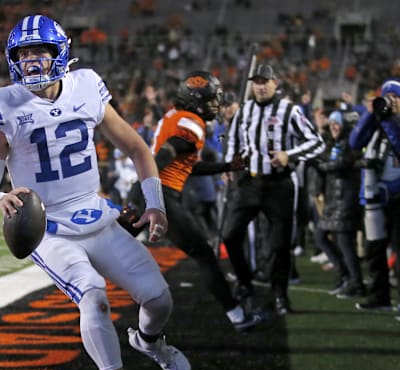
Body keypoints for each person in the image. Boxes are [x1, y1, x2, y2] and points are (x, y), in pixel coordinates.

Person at [0, 15, 189, 370]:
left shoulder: (86, 85)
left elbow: (139, 150)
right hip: (47, 225)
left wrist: (155, 205)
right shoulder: (2, 102)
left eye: (41, 51)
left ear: (61, 53)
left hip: (95, 213)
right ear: (12, 58)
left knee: (159, 300)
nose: (32, 61)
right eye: (24, 53)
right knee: (93, 295)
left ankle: (149, 342)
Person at [146, 71, 261, 331]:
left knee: (110, 248)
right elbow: (167, 153)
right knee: (205, 254)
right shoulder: (193, 122)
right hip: (159, 195)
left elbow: (189, 167)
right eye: (210, 100)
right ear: (195, 100)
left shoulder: (177, 117)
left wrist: (228, 165)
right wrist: (150, 193)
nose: (215, 106)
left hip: (151, 192)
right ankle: (237, 315)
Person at [222, 64, 325, 316]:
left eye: (265, 81)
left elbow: (317, 142)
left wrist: (288, 155)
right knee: (229, 235)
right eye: (256, 81)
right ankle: (245, 283)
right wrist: (228, 165)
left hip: (279, 185)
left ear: (275, 83)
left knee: (279, 245)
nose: (260, 85)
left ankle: (280, 295)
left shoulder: (289, 110)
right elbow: (234, 139)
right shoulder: (244, 110)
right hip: (248, 182)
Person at [349, 79, 400, 312]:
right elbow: (355, 142)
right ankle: (380, 298)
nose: (391, 101)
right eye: (387, 96)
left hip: (398, 197)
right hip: (374, 197)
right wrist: (372, 115)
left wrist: (388, 120)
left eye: (395, 97)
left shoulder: (391, 122)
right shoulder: (378, 119)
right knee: (374, 249)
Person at [312, 110, 366, 298]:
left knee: (344, 242)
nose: (333, 126)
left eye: (338, 123)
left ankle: (356, 283)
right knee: (320, 237)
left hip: (346, 199)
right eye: (332, 123)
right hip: (334, 200)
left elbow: (339, 164)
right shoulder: (333, 142)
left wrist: (321, 164)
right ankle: (344, 276)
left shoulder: (352, 144)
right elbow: (324, 157)